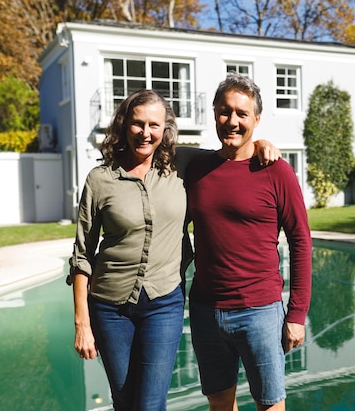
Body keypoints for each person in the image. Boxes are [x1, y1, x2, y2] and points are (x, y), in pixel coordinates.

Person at [67, 89, 279, 411]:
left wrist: (262, 144)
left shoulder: (181, 165)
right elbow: (82, 255)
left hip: (163, 301)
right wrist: (82, 323)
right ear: (125, 125)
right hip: (109, 307)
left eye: (155, 125)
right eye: (138, 124)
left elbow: (230, 150)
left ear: (165, 130)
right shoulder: (100, 180)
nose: (146, 132)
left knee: (151, 403)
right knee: (125, 401)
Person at [186, 73, 312, 411]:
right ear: (214, 114)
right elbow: (160, 146)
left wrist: (297, 313)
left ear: (256, 119)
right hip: (205, 310)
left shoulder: (275, 171)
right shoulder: (196, 168)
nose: (233, 121)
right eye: (225, 111)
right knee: (219, 404)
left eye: (243, 114)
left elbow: (300, 240)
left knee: (270, 405)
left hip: (259, 312)